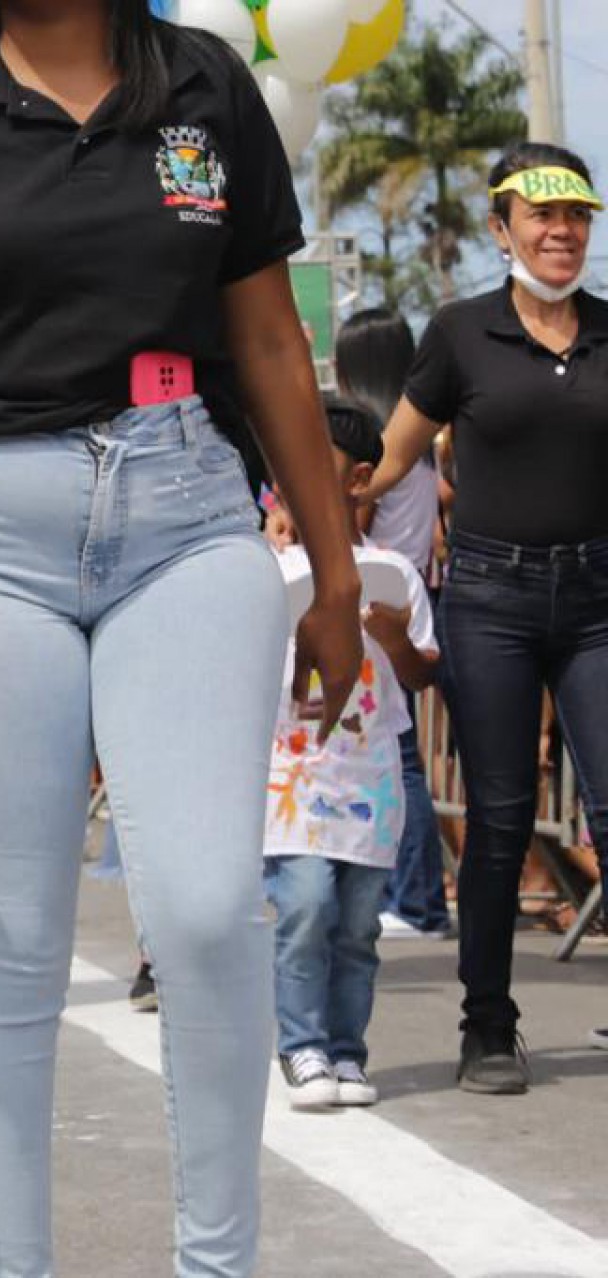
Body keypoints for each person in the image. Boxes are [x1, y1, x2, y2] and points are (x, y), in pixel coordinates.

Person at [0, 3, 366, 1273]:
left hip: (187, 517)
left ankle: (218, 1264)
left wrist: (333, 576)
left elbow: (271, 338)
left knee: (212, 909)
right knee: (11, 945)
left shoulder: (206, 86)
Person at [364, 142, 608, 1091]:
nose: (563, 232)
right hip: (493, 600)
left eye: (577, 216)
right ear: (501, 228)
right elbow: (391, 459)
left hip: (599, 601)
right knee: (501, 819)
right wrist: (311, 505)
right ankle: (488, 1028)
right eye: (543, 217)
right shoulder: (460, 333)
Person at [266, 401, 438, 1110]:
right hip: (292, 779)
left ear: (359, 478)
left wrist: (394, 638)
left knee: (360, 925)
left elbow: (424, 673)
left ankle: (347, 1051)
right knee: (305, 906)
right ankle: (301, 1045)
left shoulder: (392, 570)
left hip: (371, 780)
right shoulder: (266, 568)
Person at [333, 310, 454, 942]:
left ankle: (417, 901)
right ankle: (415, 897)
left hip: (377, 599)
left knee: (394, 756)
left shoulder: (372, 442)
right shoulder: (421, 440)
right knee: (400, 752)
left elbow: (356, 519)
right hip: (417, 592)